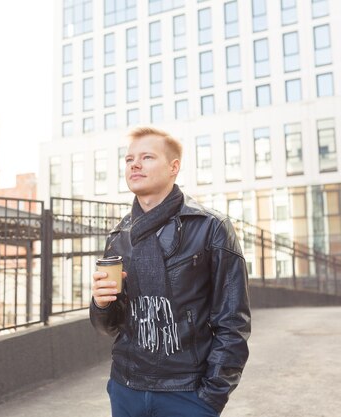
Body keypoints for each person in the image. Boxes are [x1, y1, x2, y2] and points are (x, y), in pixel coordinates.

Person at [90, 126, 251, 417]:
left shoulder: (211, 228)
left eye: (147, 157)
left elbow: (232, 322)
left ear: (174, 167)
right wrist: (100, 305)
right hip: (126, 388)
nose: (134, 164)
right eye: (129, 160)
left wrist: (211, 397)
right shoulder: (119, 236)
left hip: (187, 392)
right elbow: (110, 326)